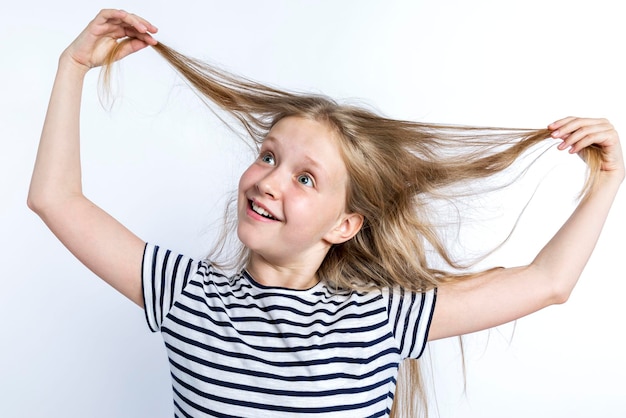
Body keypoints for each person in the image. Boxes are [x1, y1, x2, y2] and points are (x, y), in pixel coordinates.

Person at [28, 9, 623, 418]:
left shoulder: (383, 319)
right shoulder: (184, 294)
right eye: (267, 156)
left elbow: (549, 283)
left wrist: (607, 180)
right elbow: (55, 199)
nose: (267, 180)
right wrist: (73, 67)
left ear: (345, 225)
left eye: (305, 177)